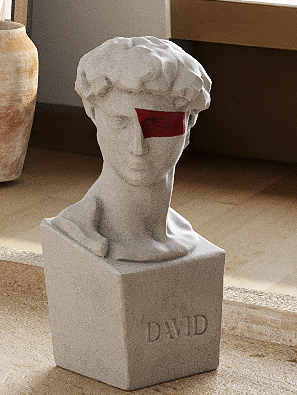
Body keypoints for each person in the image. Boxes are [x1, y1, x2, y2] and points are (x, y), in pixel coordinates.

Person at [43, 35, 213, 264]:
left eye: (158, 124)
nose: (138, 146)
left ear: (189, 123)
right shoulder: (80, 230)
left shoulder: (182, 231)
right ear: (93, 115)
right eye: (119, 121)